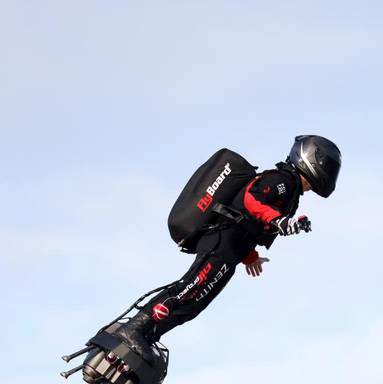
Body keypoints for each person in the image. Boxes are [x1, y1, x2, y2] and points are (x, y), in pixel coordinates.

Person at [115, 135, 342, 358]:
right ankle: (134, 328)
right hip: (220, 241)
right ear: (312, 159)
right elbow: (251, 199)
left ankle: (147, 337)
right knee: (191, 287)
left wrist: (250, 255)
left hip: (232, 251)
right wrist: (278, 221)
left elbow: (250, 225)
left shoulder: (292, 193)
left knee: (195, 304)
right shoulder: (283, 180)